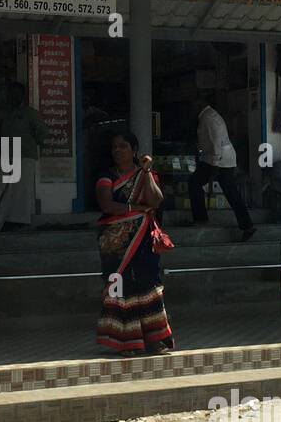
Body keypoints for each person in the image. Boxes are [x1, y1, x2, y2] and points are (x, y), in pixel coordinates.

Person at [95, 132, 174, 355]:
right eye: (114, 147)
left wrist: (146, 171)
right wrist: (134, 210)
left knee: (148, 285)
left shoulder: (143, 174)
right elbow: (106, 204)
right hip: (115, 243)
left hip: (143, 240)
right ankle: (124, 341)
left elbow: (156, 201)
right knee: (121, 288)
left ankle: (154, 340)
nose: (118, 151)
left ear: (134, 150)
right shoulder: (106, 175)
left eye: (123, 146)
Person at [0, 82, 46, 232]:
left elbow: (42, 134)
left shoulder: (30, 113)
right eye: (11, 93)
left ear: (22, 96)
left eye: (17, 93)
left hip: (25, 156)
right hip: (5, 155)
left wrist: (27, 144)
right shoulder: (4, 113)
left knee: (21, 190)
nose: (14, 96)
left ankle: (19, 221)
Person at [189, 96, 256, 242]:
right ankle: (247, 225)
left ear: (199, 104)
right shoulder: (209, 115)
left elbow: (215, 142)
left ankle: (201, 219)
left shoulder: (208, 118)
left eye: (193, 105)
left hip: (217, 159)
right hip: (220, 158)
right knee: (230, 191)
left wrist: (213, 165)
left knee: (194, 183)